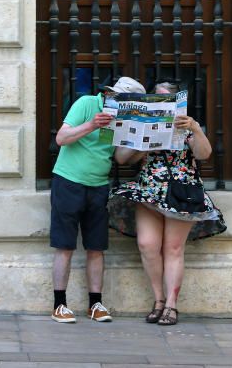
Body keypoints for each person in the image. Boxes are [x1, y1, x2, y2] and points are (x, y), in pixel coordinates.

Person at [109, 81, 225, 326]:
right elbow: (121, 158)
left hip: (181, 191)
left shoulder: (188, 125)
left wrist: (195, 128)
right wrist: (147, 139)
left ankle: (171, 306)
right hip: (149, 189)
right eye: (156, 97)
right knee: (147, 245)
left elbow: (204, 154)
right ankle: (158, 300)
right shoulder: (142, 122)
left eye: (165, 98)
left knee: (173, 249)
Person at [50, 75, 146, 323]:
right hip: (68, 181)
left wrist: (145, 143)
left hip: (99, 185)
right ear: (109, 94)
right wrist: (92, 125)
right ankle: (59, 305)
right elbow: (62, 138)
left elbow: (122, 158)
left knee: (96, 247)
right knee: (65, 245)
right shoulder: (86, 103)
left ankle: (96, 304)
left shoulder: (124, 119)